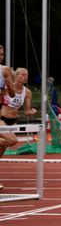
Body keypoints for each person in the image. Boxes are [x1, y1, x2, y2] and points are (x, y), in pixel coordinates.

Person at [0, 46, 16, 191]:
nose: (1, 56)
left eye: (2, 54)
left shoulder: (4, 70)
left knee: (11, 140)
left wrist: (8, 82)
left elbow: (10, 95)